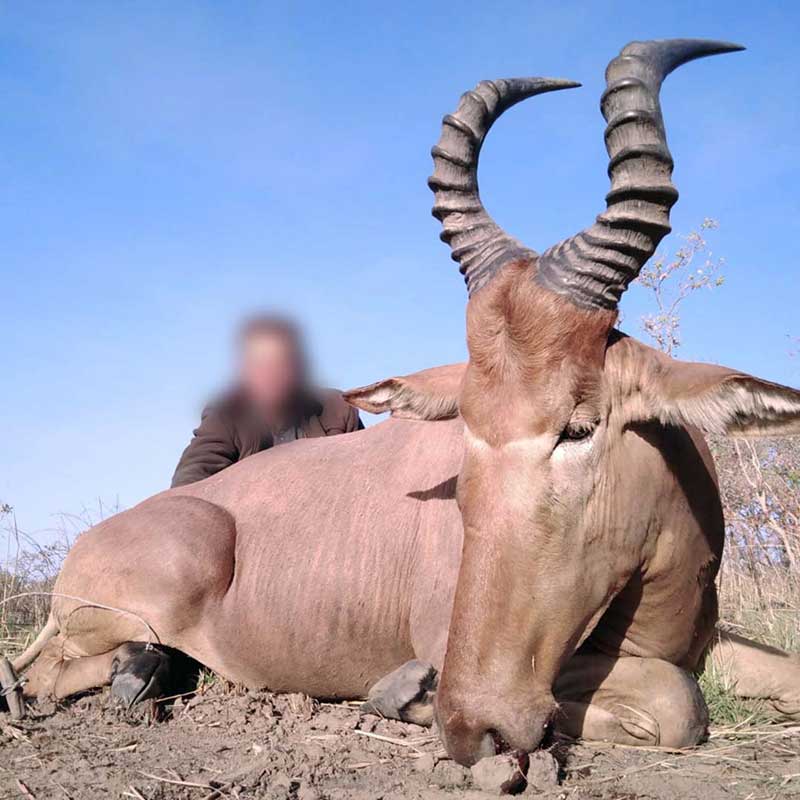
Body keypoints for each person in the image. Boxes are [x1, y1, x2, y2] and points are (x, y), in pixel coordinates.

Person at [171, 315, 362, 487]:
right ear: (244, 371)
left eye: (279, 363)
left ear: (298, 367)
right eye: (259, 365)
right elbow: (191, 477)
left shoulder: (338, 409)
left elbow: (365, 469)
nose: (270, 374)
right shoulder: (226, 414)